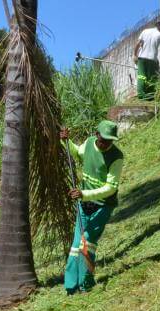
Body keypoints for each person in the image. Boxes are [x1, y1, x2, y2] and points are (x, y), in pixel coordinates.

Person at [61, 120, 124, 295]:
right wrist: (66, 141)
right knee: (76, 245)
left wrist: (84, 194)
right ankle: (71, 287)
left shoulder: (116, 157)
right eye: (104, 140)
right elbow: (77, 152)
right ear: (97, 135)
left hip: (103, 206)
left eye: (110, 141)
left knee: (87, 242)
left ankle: (85, 284)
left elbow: (111, 188)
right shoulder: (89, 143)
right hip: (84, 203)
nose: (106, 144)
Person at [133, 21, 160, 101]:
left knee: (141, 76)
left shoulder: (145, 31)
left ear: (155, 26)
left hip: (142, 58)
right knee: (152, 78)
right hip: (152, 59)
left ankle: (141, 95)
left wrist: (135, 55)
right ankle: (150, 96)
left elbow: (138, 43)